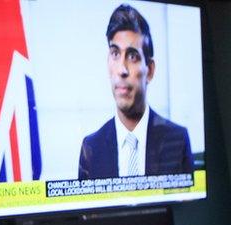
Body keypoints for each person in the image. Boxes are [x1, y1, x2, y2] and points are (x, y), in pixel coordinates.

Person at [78, 4, 193, 180]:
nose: (122, 69)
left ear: (151, 70)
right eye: (115, 54)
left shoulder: (177, 139)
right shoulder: (91, 148)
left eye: (132, 56)